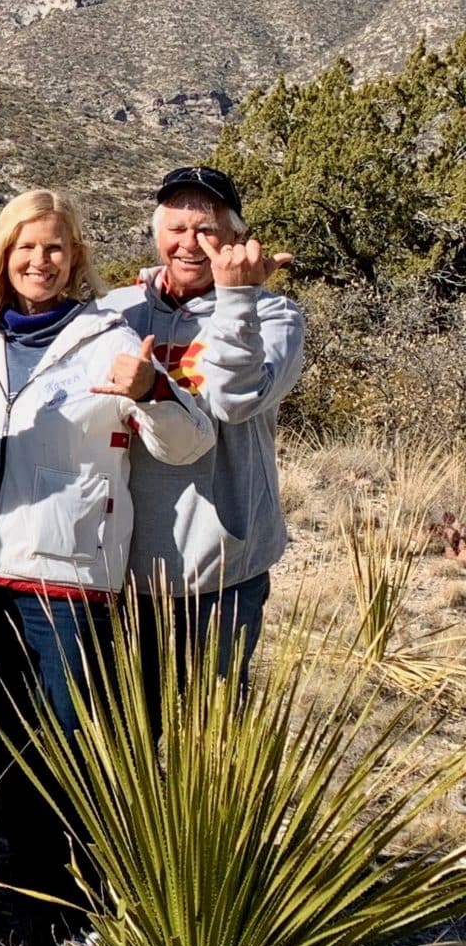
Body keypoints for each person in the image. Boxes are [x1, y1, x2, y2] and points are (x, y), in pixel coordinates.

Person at [0, 188, 212, 937]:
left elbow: (187, 440)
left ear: (76, 260)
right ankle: (28, 889)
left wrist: (153, 392)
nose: (40, 261)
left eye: (55, 248)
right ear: (3, 256)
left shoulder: (111, 336)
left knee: (72, 739)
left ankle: (76, 901)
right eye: (26, 248)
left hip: (70, 576)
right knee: (12, 735)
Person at [97, 166, 302, 687]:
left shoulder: (275, 316)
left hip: (223, 569)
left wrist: (237, 301)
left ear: (236, 237)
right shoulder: (116, 312)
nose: (190, 243)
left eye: (206, 229)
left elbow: (236, 402)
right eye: (176, 229)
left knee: (211, 733)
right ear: (157, 235)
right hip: (124, 564)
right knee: (126, 723)